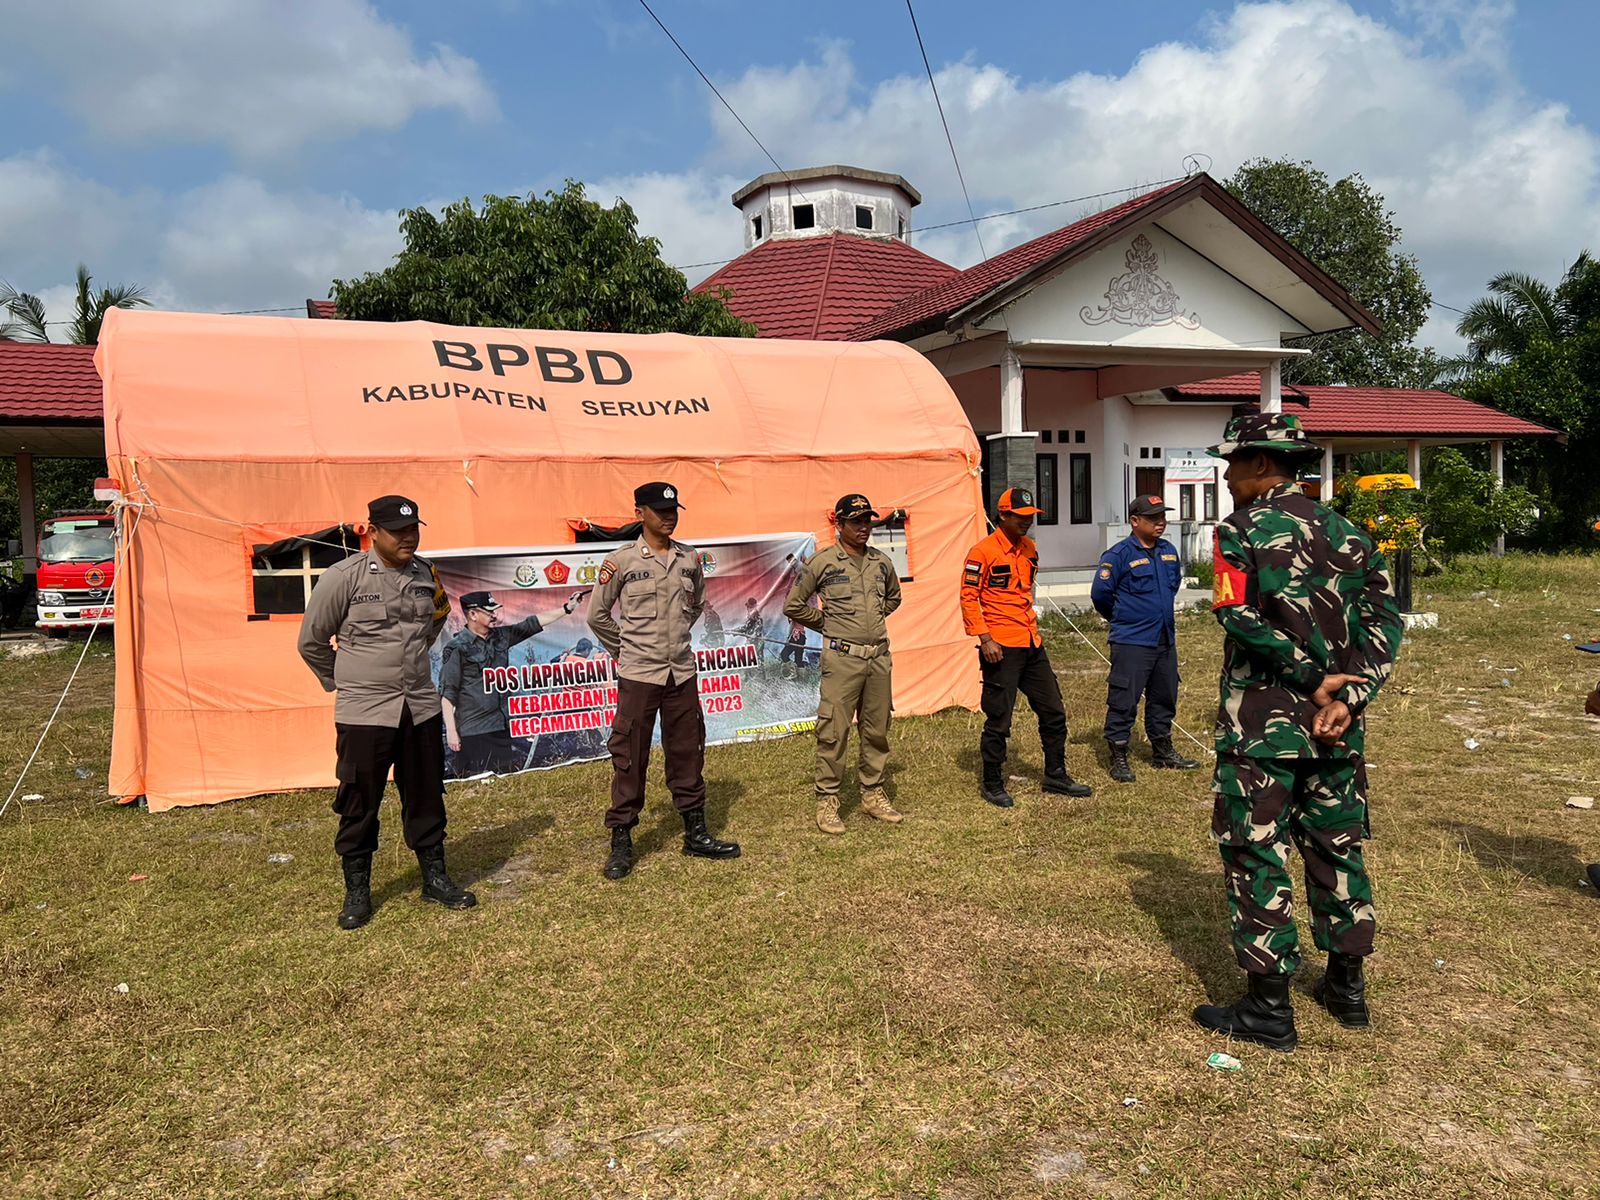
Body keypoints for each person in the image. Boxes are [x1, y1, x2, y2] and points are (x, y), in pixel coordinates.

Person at [1191, 413, 1402, 1051]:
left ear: (1260, 463)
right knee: (1337, 849)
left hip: (1263, 729)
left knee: (1257, 852)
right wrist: (1351, 697)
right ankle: (1346, 989)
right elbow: (1386, 623)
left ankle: (1268, 1007)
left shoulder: (1239, 529)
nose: (1227, 476)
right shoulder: (1352, 535)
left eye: (1232, 463)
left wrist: (1311, 679)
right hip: (1337, 731)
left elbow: (1234, 612)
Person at [298, 495, 476, 930]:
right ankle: (357, 890)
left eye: (413, 529)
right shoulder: (343, 577)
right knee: (359, 800)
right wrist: (347, 679)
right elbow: (312, 641)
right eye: (397, 531)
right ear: (373, 532)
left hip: (419, 706)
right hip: (365, 712)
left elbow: (436, 619)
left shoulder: (426, 574)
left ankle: (435, 877)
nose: (407, 537)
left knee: (426, 794)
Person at [587, 481, 741, 880]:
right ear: (640, 514)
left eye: (673, 510)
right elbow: (597, 616)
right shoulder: (621, 561)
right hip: (639, 675)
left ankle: (695, 832)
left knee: (688, 749)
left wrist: (674, 640)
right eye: (660, 511)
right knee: (630, 755)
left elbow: (695, 605)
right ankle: (622, 839)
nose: (669, 517)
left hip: (681, 672)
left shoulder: (689, 558)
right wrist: (626, 650)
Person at [961, 487, 1094, 807]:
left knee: (1053, 710)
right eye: (1020, 516)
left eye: (1030, 516)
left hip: (1031, 642)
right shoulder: (982, 552)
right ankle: (992, 782)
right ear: (1003, 515)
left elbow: (1024, 593)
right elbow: (968, 597)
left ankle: (1056, 774)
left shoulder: (1030, 549)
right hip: (1000, 647)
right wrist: (985, 638)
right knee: (999, 719)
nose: (1026, 522)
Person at [784, 494, 904, 834]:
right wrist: (829, 624)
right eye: (856, 521)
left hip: (878, 658)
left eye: (867, 521)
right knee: (834, 730)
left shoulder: (881, 562)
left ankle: (872, 793)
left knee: (876, 729)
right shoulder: (822, 563)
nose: (864, 527)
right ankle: (827, 799)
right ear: (839, 524)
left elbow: (894, 598)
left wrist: (872, 621)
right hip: (842, 660)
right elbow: (794, 605)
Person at [1090, 494, 1200, 782]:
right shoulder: (1118, 555)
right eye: (1153, 518)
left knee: (1164, 695)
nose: (1160, 522)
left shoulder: (1168, 551)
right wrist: (1123, 618)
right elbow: (1100, 595)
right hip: (1132, 640)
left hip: (1164, 637)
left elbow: (1172, 585)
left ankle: (1162, 750)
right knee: (1124, 699)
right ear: (1135, 521)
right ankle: (1118, 755)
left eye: (1162, 516)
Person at [438, 588, 590, 777]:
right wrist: (452, 732)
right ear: (473, 614)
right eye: (489, 611)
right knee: (477, 784)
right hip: (474, 731)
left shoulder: (500, 637)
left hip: (501, 727)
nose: (494, 615)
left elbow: (532, 624)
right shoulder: (456, 648)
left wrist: (567, 608)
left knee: (505, 781)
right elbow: (448, 694)